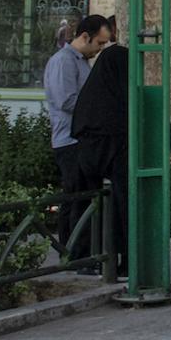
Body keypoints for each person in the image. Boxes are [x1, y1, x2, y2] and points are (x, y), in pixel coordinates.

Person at [70, 44, 171, 278]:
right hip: (116, 152)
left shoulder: (93, 92)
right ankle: (127, 260)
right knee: (125, 207)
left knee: (87, 204)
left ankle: (84, 259)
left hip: (87, 153)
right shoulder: (123, 91)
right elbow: (145, 112)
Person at [43, 15, 112, 266]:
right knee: (77, 200)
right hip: (70, 141)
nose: (100, 49)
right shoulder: (63, 62)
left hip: (83, 139)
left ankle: (78, 253)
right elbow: (66, 100)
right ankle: (76, 255)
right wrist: (98, 109)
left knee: (82, 197)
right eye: (99, 43)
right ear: (85, 37)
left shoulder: (82, 62)